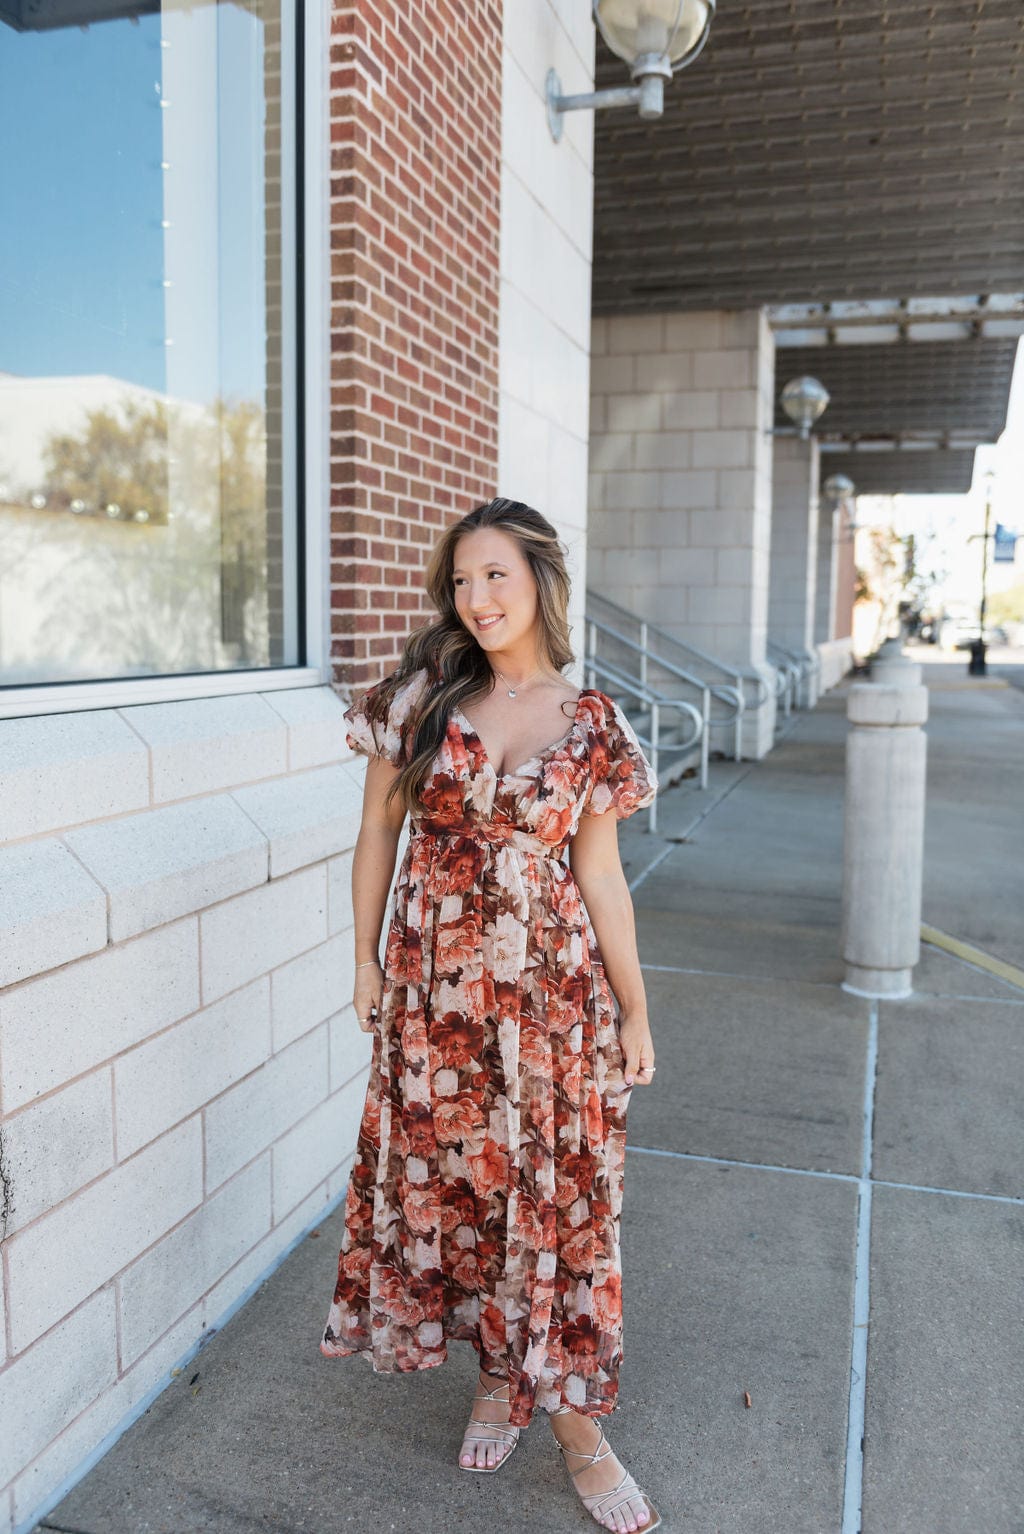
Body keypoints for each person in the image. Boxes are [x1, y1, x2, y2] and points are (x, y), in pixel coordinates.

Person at [320, 497, 661, 1533]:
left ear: (540, 580)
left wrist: (636, 1009)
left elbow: (600, 877)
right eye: (461, 581)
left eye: (495, 576)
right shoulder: (420, 698)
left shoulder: (590, 721)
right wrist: (366, 958)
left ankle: (577, 1433)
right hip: (437, 996)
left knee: (551, 1205)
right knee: (463, 1190)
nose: (475, 599)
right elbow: (377, 835)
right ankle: (491, 1378)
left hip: (554, 1004)